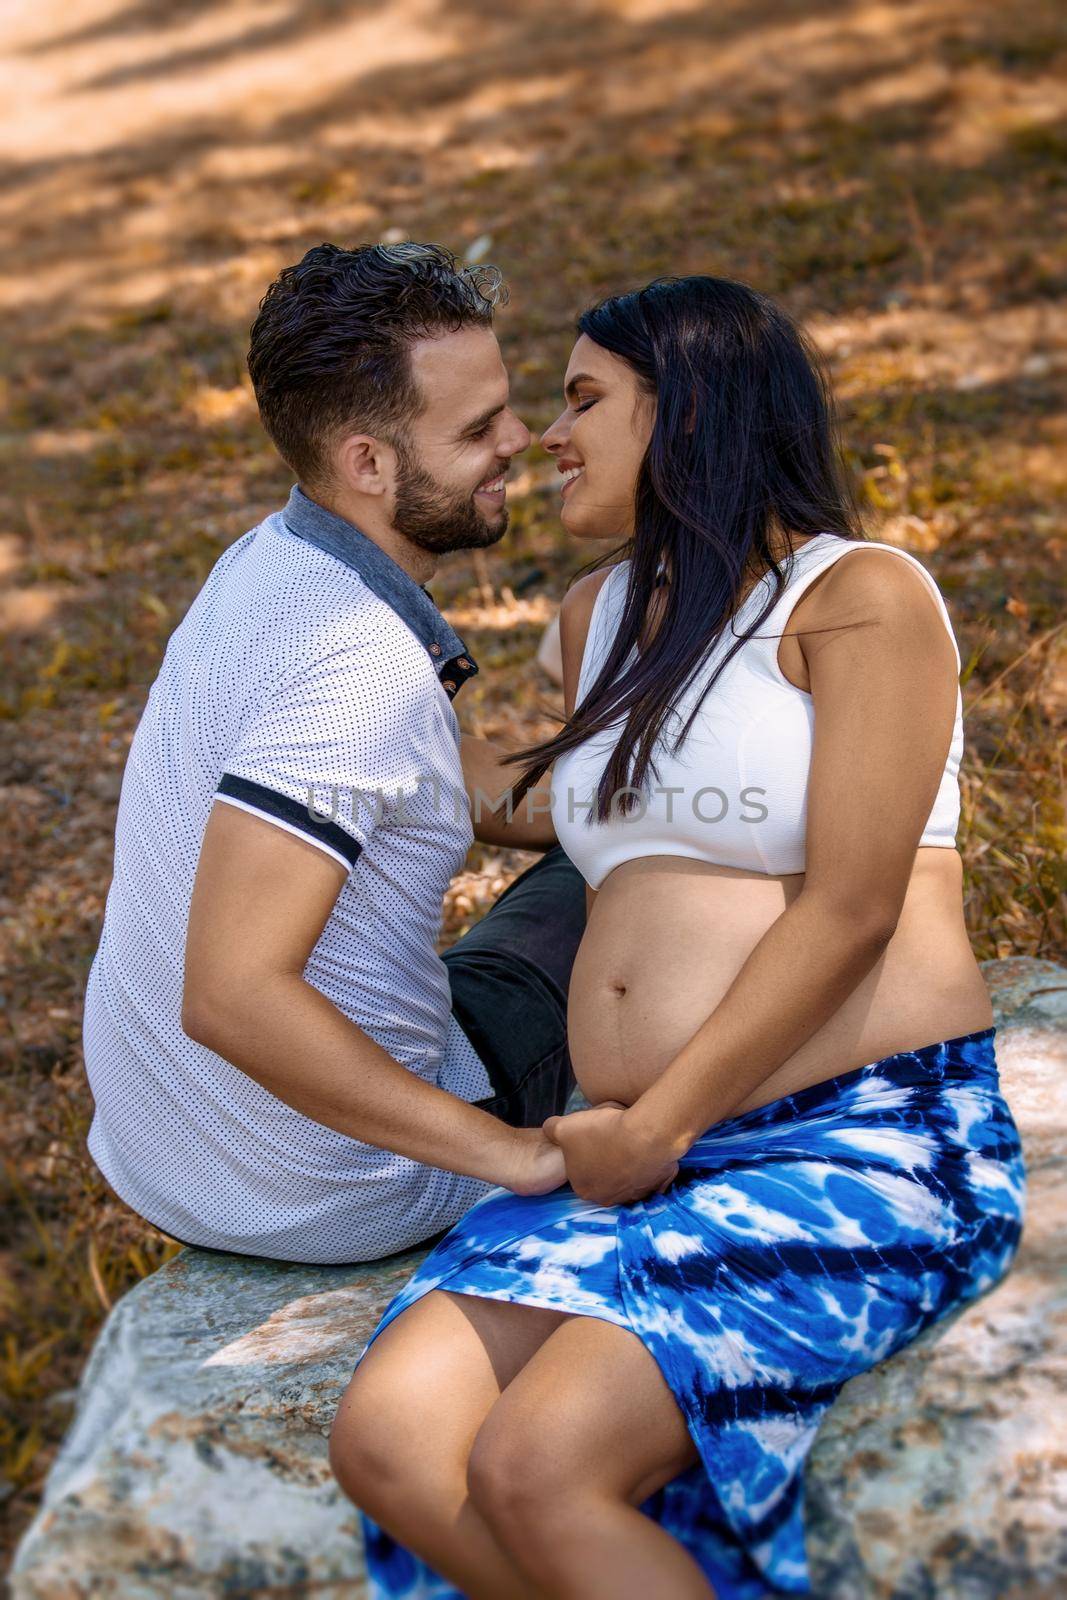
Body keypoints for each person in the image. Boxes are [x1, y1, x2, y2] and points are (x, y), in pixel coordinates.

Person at [328, 275, 1028, 1599]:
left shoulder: (858, 596)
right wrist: (309, 728)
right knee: (392, 1441)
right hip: (640, 1155)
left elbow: (852, 904)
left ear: (691, 411)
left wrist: (656, 1125)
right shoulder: (594, 621)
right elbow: (529, 796)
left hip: (847, 1135)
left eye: (583, 398)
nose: (545, 435)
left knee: (537, 1462)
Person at [81, 241, 587, 1266]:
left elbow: (459, 776)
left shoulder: (276, 570)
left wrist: (669, 781)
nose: (522, 440)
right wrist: (511, 1155)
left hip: (172, 1156)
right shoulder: (355, 668)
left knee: (635, 830)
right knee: (643, 885)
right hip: (337, 1184)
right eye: (479, 427)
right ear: (367, 461)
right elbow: (231, 993)